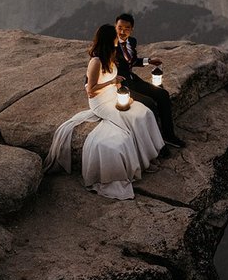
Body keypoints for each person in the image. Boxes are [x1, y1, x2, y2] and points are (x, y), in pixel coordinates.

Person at [44, 24, 164, 200]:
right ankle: (141, 163)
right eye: (115, 36)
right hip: (100, 102)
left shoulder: (110, 56)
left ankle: (148, 158)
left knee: (143, 112)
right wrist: (112, 82)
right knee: (130, 119)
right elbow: (91, 90)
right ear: (109, 40)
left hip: (113, 95)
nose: (119, 38)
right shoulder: (96, 61)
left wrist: (117, 86)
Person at [114, 12, 186, 148]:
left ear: (131, 29)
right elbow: (102, 65)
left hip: (132, 79)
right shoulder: (110, 45)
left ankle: (169, 135)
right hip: (119, 86)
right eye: (120, 28)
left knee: (162, 94)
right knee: (149, 104)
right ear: (115, 27)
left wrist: (149, 61)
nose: (123, 31)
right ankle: (156, 142)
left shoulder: (132, 41)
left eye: (126, 28)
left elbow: (132, 61)